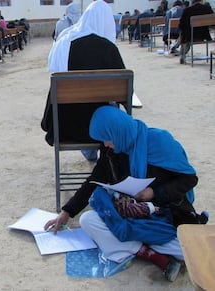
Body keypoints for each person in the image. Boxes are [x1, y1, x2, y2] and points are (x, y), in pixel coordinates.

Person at [45, 105, 208, 282]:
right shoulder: (112, 150)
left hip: (163, 215)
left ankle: (137, 246)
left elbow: (189, 179)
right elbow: (93, 180)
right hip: (130, 214)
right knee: (88, 220)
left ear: (116, 131)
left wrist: (154, 192)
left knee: (194, 252)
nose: (106, 144)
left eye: (107, 139)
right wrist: (67, 211)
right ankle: (149, 253)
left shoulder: (160, 141)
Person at [42, 0, 120, 162]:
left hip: (66, 127)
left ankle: (89, 153)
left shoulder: (65, 41)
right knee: (110, 104)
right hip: (102, 131)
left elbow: (53, 76)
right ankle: (108, 161)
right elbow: (125, 94)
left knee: (83, 105)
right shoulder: (109, 48)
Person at [178, 0, 213, 64]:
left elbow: (181, 25)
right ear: (201, 0)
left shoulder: (187, 10)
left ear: (192, 1)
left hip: (189, 37)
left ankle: (182, 55)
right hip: (203, 36)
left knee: (184, 34)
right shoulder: (207, 9)